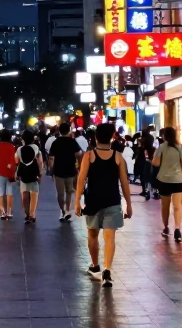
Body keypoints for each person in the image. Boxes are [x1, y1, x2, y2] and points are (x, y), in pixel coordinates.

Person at [75, 122, 133, 287]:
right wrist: (129, 204)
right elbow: (124, 183)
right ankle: (107, 269)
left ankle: (95, 266)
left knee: (92, 235)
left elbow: (81, 179)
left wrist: (77, 201)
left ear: (95, 137)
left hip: (93, 201)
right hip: (113, 201)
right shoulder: (118, 156)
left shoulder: (89, 155)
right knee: (110, 238)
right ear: (112, 137)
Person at [152, 127, 182, 242]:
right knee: (177, 206)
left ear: (164, 136)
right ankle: (177, 229)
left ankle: (166, 227)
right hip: (178, 180)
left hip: (164, 180)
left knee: (165, 205)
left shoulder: (161, 148)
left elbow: (155, 163)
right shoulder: (180, 148)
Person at [48, 122, 83, 222]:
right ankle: (67, 210)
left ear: (59, 131)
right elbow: (79, 154)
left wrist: (51, 169)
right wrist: (79, 164)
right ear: (69, 130)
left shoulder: (55, 142)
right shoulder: (72, 142)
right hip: (70, 170)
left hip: (58, 171)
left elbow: (51, 158)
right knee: (69, 191)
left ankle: (62, 211)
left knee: (60, 193)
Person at [16, 130, 44, 222]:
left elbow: (17, 160)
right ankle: (32, 214)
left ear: (23, 139)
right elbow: (40, 161)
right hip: (33, 173)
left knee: (25, 194)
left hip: (23, 173)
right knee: (34, 194)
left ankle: (26, 213)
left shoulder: (19, 149)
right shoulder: (35, 147)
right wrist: (40, 173)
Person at [0, 129, 18, 219]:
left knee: (0, 193)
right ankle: (9, 212)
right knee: (10, 192)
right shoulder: (13, 148)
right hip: (10, 173)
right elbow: (16, 161)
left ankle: (3, 212)